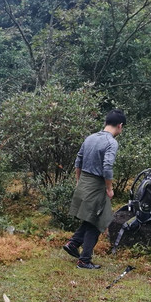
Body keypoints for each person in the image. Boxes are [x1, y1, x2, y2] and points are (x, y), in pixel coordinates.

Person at [63, 109, 126, 269]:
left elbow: (78, 160)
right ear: (120, 126)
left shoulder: (90, 138)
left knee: (92, 218)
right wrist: (110, 188)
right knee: (98, 221)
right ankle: (84, 260)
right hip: (97, 185)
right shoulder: (111, 142)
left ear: (105, 122)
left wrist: (78, 181)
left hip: (84, 180)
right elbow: (107, 167)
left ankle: (73, 243)